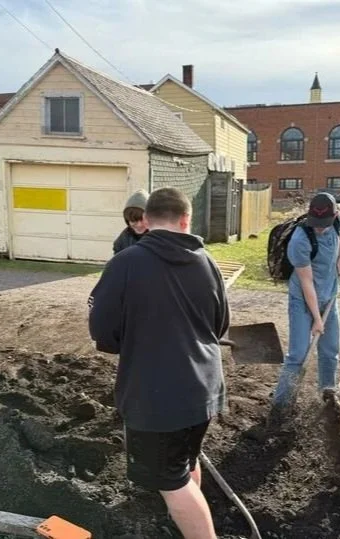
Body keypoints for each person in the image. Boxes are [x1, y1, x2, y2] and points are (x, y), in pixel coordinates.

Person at [88, 187, 229, 539]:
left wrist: (132, 344)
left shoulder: (126, 262)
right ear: (186, 220)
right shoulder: (206, 261)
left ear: (147, 221)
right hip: (204, 388)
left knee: (171, 481)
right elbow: (220, 324)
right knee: (185, 463)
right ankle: (188, 524)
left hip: (157, 398)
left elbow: (102, 328)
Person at [272, 192, 340, 410]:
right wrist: (317, 319)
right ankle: (281, 406)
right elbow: (306, 283)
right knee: (298, 354)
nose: (319, 228)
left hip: (329, 296)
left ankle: (327, 398)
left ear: (335, 214)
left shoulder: (337, 221)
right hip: (303, 300)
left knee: (330, 352)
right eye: (316, 224)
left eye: (324, 223)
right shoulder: (300, 240)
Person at [113, 189, 149, 254]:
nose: (139, 225)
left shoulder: (160, 237)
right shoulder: (122, 240)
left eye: (142, 219)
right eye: (134, 220)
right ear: (127, 220)